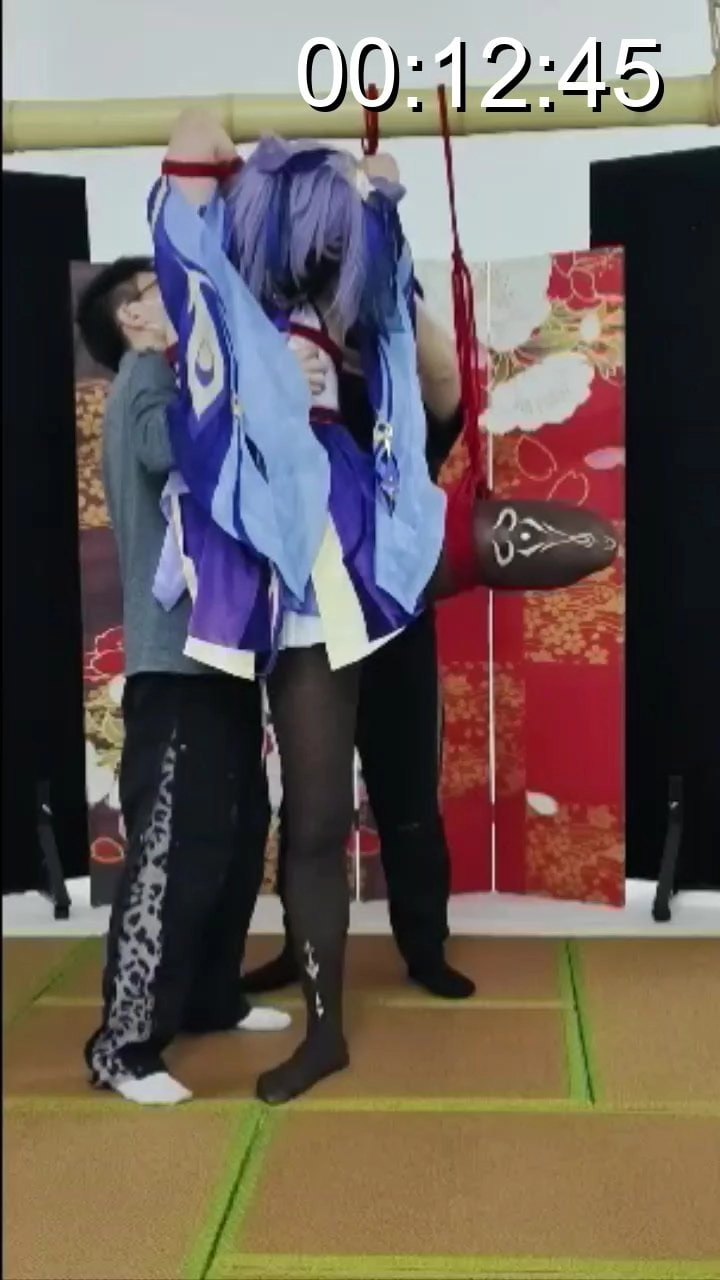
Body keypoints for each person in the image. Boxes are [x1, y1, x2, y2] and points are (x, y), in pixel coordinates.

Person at [150, 111, 450, 1104]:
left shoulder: (340, 304)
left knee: (316, 809)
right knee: (253, 803)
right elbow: (194, 175)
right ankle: (256, 978)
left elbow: (401, 318)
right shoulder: (218, 295)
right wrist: (226, 163)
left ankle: (325, 1029)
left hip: (319, 538)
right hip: (245, 533)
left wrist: (377, 191)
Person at [75, 258, 327, 1105]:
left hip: (221, 653)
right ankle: (123, 1046)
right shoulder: (145, 377)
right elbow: (170, 445)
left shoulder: (182, 380)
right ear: (134, 320)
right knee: (172, 850)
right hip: (174, 663)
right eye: (161, 289)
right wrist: (265, 382)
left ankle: (211, 995)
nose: (181, 295)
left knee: (234, 833)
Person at [244, 349, 477, 1001]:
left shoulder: (393, 406)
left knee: (408, 799)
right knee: (307, 807)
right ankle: (302, 947)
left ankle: (425, 949)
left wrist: (399, 305)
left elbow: (445, 383)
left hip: (396, 635)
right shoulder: (280, 395)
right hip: (311, 636)